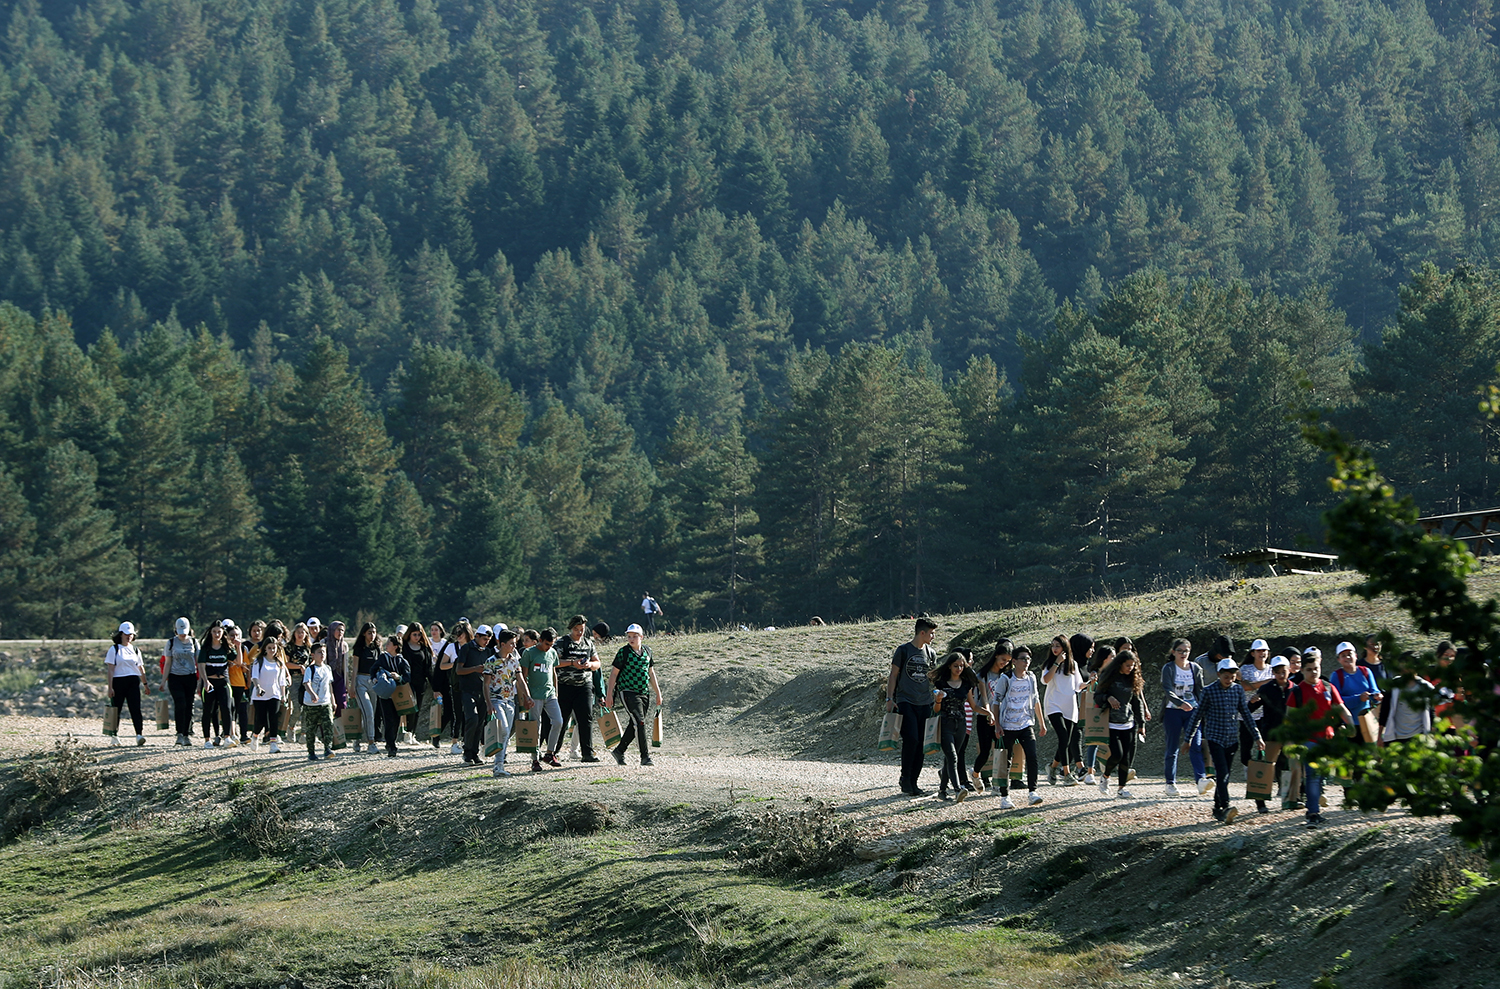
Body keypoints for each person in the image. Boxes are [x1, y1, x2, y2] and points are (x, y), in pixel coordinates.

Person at [1186, 659, 1261, 824]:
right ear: (1219, 674)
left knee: (1224, 773)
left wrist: (1257, 736)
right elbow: (1197, 715)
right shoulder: (1209, 691)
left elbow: (1246, 714)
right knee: (1222, 773)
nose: (1230, 680)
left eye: (1233, 676)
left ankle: (1217, 807)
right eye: (1226, 676)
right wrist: (1188, 738)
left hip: (1232, 739)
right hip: (1215, 738)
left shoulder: (1238, 691)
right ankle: (1226, 806)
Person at [1287, 649, 1354, 826]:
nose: (1313, 672)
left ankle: (1322, 806)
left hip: (1329, 739)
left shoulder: (1328, 687)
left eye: (1316, 668)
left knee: (1329, 773)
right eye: (1309, 669)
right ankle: (1313, 812)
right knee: (1313, 775)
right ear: (1302, 671)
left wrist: (1351, 723)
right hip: (1309, 740)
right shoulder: (1297, 692)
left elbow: (1341, 708)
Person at [886, 618, 938, 797]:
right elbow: (893, 675)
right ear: (922, 633)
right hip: (905, 701)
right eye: (931, 633)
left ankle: (914, 782)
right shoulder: (903, 650)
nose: (933, 636)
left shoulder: (931, 653)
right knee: (912, 739)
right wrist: (889, 698)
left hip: (925, 703)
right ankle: (905, 778)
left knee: (922, 743)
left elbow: (932, 678)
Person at [993, 646, 1047, 808]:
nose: (1026, 662)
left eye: (1028, 659)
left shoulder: (1031, 677)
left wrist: (1041, 723)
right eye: (1023, 658)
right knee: (1005, 760)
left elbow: (1036, 700)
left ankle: (1032, 792)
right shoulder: (1006, 678)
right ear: (1014, 661)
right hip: (1008, 724)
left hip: (1025, 723)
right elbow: (996, 701)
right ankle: (1004, 796)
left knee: (1032, 757)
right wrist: (997, 724)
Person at [606, 624, 663, 767]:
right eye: (629, 636)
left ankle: (619, 751)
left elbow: (651, 673)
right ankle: (645, 757)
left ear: (641, 637)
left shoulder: (647, 651)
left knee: (635, 723)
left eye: (635, 636)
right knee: (640, 722)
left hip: (644, 692)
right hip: (627, 692)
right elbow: (613, 674)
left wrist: (658, 693)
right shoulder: (623, 652)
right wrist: (609, 695)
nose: (631, 639)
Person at [1094, 649, 1147, 798]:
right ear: (1120, 664)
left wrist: (1141, 723)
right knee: (1117, 754)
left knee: (1127, 758)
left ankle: (1121, 789)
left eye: (1132, 666)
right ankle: (1105, 777)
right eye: (1127, 665)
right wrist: (1108, 698)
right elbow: (1097, 697)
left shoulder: (1133, 679)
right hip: (1111, 722)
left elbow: (1137, 703)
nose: (1130, 668)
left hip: (1128, 723)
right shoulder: (1109, 676)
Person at [928, 651, 980, 801]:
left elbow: (973, 706)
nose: (959, 669)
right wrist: (938, 700)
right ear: (949, 666)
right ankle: (958, 789)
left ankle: (942, 791)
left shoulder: (966, 685)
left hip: (961, 724)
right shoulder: (941, 684)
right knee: (952, 757)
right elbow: (936, 710)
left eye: (962, 666)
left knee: (950, 759)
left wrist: (989, 713)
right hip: (945, 723)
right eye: (956, 666)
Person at [1160, 637, 1207, 797]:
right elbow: (1167, 690)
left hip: (1193, 711)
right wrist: (1180, 703)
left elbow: (1200, 691)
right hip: (1172, 711)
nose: (1183, 654)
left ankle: (1201, 780)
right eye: (1179, 651)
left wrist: (1202, 708)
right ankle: (1170, 783)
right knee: (1172, 747)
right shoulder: (1168, 668)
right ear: (1173, 652)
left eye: (1186, 651)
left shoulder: (1195, 668)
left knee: (1196, 743)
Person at [485, 629, 532, 777]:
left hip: (510, 701)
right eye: (511, 644)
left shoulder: (514, 661)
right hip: (496, 700)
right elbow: (486, 684)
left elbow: (520, 681)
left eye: (515, 644)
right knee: (504, 729)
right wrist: (488, 703)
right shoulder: (491, 661)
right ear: (502, 644)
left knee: (505, 733)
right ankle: (498, 763)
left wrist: (527, 696)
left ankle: (499, 765)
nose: (514, 647)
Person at [555, 615, 602, 763]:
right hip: (565, 685)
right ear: (571, 628)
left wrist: (589, 665)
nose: (579, 632)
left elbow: (597, 663)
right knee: (562, 720)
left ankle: (587, 753)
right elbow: (554, 662)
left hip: (584, 686)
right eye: (576, 629)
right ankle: (553, 751)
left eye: (582, 629)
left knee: (585, 719)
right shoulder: (562, 642)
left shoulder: (588, 643)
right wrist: (571, 663)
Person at [1041, 635, 1086, 787]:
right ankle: (1066, 773)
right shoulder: (1049, 664)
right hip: (1053, 704)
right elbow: (1045, 680)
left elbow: (1078, 685)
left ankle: (1052, 767)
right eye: (1053, 645)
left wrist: (1089, 682)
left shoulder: (1073, 664)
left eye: (1058, 646)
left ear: (1065, 648)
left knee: (1066, 739)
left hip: (1070, 706)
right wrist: (1056, 663)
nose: (1054, 648)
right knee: (1063, 735)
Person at [1330, 641, 1382, 765]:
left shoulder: (1366, 672)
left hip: (1367, 723)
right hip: (1349, 724)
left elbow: (1374, 690)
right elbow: (1337, 702)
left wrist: (1377, 696)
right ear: (1339, 659)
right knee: (1350, 759)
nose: (1347, 657)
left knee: (1367, 758)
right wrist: (1358, 698)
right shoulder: (1337, 676)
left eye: (1349, 654)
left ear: (1356, 656)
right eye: (1343, 655)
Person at [972, 641, 1013, 791]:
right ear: (996, 656)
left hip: (1002, 717)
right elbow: (985, 698)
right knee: (985, 751)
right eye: (1003, 659)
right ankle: (975, 774)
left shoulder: (1007, 675)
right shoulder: (983, 675)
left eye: (1008, 661)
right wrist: (990, 714)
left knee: (1002, 750)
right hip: (985, 716)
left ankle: (999, 782)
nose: (1005, 663)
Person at [1238, 639, 1275, 806]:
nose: (1262, 653)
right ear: (1252, 653)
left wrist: (1260, 688)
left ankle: (1262, 780)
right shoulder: (1245, 669)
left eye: (1265, 650)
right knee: (1245, 749)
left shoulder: (1271, 669)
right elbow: (1246, 687)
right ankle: (1247, 770)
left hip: (1265, 716)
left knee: (1263, 748)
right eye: (1259, 651)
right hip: (1246, 715)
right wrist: (1267, 683)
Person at [1259, 655, 1298, 809]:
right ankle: (1260, 800)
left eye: (1284, 671)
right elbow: (1250, 709)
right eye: (1277, 672)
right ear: (1273, 672)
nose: (1281, 675)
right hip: (1271, 733)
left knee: (1293, 765)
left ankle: (1290, 799)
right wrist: (1252, 702)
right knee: (1268, 766)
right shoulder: (1266, 689)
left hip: (1289, 733)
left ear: (1289, 670)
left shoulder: (1295, 688)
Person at [105, 621, 151, 746]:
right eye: (126, 634)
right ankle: (114, 735)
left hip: (133, 681)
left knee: (135, 708)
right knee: (117, 709)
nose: (129, 636)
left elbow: (140, 668)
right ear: (121, 634)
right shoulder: (114, 649)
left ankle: (139, 734)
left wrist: (145, 684)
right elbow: (110, 669)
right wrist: (110, 687)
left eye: (131, 634)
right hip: (118, 681)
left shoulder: (135, 650)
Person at [454, 623, 495, 765]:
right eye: (484, 639)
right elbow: (459, 670)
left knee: (480, 722)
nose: (486, 642)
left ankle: (474, 753)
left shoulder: (488, 652)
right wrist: (475, 669)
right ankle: (467, 751)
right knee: (472, 718)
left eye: (488, 640)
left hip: (483, 690)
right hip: (467, 690)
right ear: (477, 636)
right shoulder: (466, 648)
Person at [523, 628, 563, 769]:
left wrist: (556, 692)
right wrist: (526, 696)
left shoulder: (552, 653)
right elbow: (524, 676)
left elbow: (553, 673)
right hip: (534, 696)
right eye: (547, 644)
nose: (549, 648)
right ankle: (535, 759)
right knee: (536, 727)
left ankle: (549, 753)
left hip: (550, 694)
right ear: (540, 641)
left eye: (551, 645)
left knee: (558, 721)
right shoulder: (529, 653)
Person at [1379, 652, 1435, 743]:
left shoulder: (1425, 687)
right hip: (1395, 736)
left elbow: (1431, 714)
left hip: (1418, 736)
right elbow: (1385, 711)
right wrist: (1380, 736)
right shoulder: (1393, 686)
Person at [161, 617, 199, 746]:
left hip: (190, 676)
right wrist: (163, 681)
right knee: (180, 703)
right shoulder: (171, 643)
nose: (182, 633)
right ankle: (179, 733)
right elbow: (167, 663)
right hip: (175, 677)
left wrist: (202, 680)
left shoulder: (194, 642)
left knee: (189, 705)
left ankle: (186, 734)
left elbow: (199, 662)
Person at [197, 621, 235, 747]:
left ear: (223, 632)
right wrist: (205, 681)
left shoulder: (226, 647)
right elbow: (201, 666)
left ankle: (227, 737)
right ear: (210, 632)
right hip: (210, 682)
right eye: (214, 631)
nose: (216, 634)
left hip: (223, 682)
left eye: (219, 631)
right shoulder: (206, 648)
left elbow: (237, 660)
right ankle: (207, 739)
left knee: (226, 708)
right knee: (208, 710)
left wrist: (238, 647)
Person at [374, 634, 411, 758]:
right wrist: (375, 679)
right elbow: (373, 669)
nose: (386, 646)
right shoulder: (383, 658)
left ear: (395, 646)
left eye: (389, 643)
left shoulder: (402, 661)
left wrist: (398, 677)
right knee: (388, 719)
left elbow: (407, 677)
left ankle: (391, 740)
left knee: (396, 720)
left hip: (398, 695)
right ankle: (391, 745)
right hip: (385, 695)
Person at [249, 637, 289, 753]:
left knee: (273, 718)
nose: (272, 650)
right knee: (260, 719)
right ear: (265, 649)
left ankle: (273, 744)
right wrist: (258, 687)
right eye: (269, 648)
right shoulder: (259, 661)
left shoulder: (279, 663)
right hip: (260, 695)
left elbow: (282, 681)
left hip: (274, 694)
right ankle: (255, 736)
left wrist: (283, 695)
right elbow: (254, 676)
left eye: (274, 648)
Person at [302, 642, 336, 761]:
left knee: (328, 725)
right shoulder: (310, 669)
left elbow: (330, 685)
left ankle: (328, 748)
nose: (322, 655)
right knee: (311, 728)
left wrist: (333, 700)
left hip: (325, 702)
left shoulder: (327, 668)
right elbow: (307, 683)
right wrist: (312, 694)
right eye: (319, 652)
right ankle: (311, 752)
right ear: (313, 655)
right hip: (311, 704)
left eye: (324, 652)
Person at [400, 623, 434, 744]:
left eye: (419, 634)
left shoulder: (424, 648)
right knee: (407, 708)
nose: (417, 637)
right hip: (406, 682)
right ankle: (405, 733)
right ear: (409, 634)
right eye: (414, 634)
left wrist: (435, 687)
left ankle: (411, 733)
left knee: (417, 709)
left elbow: (429, 669)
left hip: (421, 683)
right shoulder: (403, 647)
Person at [351, 622, 381, 753]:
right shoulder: (359, 648)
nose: (372, 635)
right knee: (367, 711)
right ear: (364, 633)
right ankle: (371, 742)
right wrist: (352, 685)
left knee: (370, 715)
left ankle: (357, 740)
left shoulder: (377, 648)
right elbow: (355, 668)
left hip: (373, 682)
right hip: (361, 681)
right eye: (370, 633)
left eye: (374, 632)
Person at [285, 623, 312, 742]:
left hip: (306, 680)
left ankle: (304, 733)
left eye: (303, 632)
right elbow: (285, 664)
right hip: (294, 679)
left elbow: (311, 661)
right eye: (298, 632)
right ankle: (291, 727)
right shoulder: (289, 647)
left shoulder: (308, 647)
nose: (300, 634)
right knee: (297, 707)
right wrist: (298, 666)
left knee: (307, 706)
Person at [227, 623, 252, 744]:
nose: (234, 638)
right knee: (230, 709)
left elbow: (245, 667)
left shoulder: (243, 649)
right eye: (232, 635)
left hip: (240, 683)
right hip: (228, 683)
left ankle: (243, 735)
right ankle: (230, 733)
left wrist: (248, 681)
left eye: (237, 635)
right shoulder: (224, 648)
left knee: (242, 710)